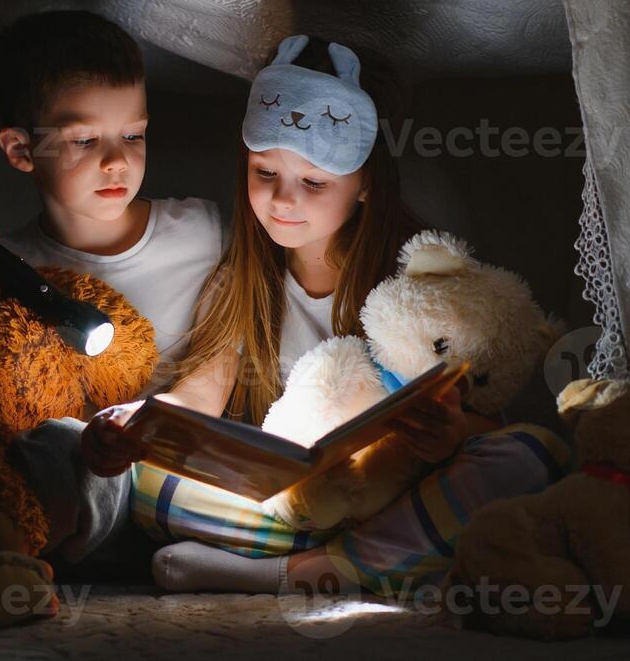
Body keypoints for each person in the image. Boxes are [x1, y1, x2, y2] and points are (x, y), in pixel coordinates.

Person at [80, 34, 569, 596]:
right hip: (299, 507)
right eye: (265, 174)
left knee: (533, 454)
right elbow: (196, 396)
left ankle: (298, 572)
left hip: (398, 492)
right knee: (142, 480)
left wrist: (450, 437)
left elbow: (484, 421)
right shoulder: (241, 281)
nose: (283, 201)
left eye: (313, 183)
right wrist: (133, 425)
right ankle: (363, 562)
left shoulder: (419, 282)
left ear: (363, 185)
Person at [0, 9, 224, 566]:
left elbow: (218, 363)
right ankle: (1, 559)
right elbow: (10, 398)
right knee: (47, 442)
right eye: (85, 140)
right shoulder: (9, 268)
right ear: (21, 151)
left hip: (174, 483)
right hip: (73, 490)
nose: (117, 161)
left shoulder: (202, 233)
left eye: (134, 135)